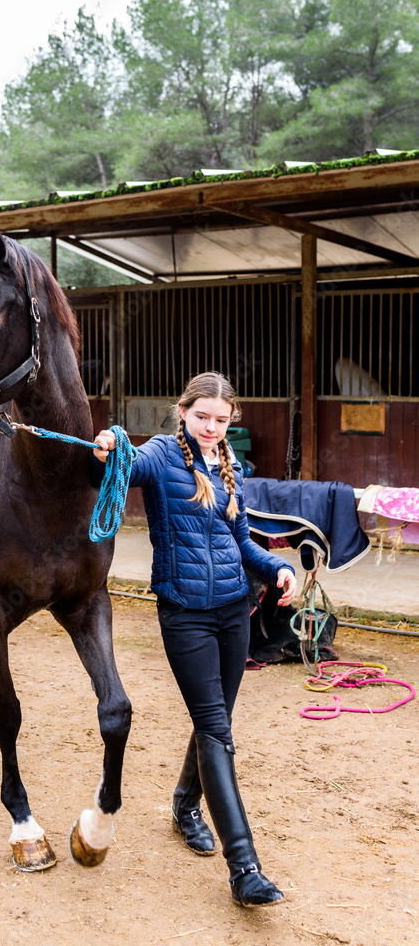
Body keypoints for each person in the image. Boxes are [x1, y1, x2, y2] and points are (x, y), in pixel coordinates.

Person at [93, 372, 297, 908]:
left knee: (217, 723)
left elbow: (241, 542)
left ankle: (185, 805)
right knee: (214, 726)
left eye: (221, 419)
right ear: (182, 411)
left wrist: (276, 565)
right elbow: (125, 469)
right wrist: (113, 444)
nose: (211, 427)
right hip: (184, 613)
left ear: (231, 422)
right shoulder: (162, 453)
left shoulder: (231, 469)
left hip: (235, 611)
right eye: (202, 416)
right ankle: (245, 868)